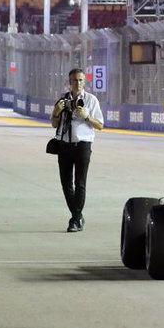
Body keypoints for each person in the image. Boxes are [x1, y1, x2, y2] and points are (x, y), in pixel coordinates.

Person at [49, 67, 104, 232]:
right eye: (74, 80)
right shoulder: (62, 100)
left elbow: (100, 125)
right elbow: (53, 124)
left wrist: (86, 116)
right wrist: (56, 112)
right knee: (66, 183)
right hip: (64, 145)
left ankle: (74, 220)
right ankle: (78, 216)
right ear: (69, 82)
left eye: (80, 80)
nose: (78, 83)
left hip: (82, 146)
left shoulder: (91, 100)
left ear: (84, 81)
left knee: (80, 183)